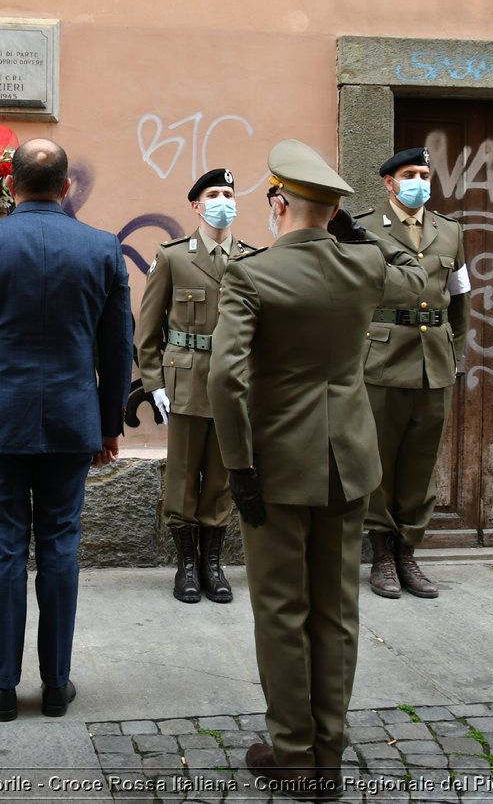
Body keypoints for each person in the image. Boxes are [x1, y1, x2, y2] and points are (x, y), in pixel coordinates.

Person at [207, 139, 425, 800]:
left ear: (278, 203)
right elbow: (416, 282)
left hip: (276, 466)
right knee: (336, 612)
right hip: (351, 464)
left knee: (281, 610)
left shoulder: (251, 273)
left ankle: (295, 757)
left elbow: (225, 375)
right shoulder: (362, 266)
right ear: (333, 211)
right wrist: (354, 236)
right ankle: (329, 755)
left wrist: (238, 462)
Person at [0, 138, 132, 722]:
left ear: (11, 186)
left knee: (2, 555)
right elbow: (116, 348)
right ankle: (56, 684)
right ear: (66, 186)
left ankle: (1, 686)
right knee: (59, 550)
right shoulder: (102, 248)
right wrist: (107, 425)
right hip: (72, 423)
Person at [135, 167, 256, 603]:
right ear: (196, 205)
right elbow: (148, 331)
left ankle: (213, 564)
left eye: (229, 192)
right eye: (214, 194)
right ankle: (185, 566)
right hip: (184, 381)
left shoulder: (251, 257)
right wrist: (154, 383)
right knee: (183, 475)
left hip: (233, 384)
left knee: (221, 477)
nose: (223, 200)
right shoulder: (172, 256)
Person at [354, 147, 469, 600]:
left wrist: (453, 353)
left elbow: (460, 302)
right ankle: (381, 553)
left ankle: (408, 552)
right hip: (380, 360)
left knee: (421, 462)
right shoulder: (363, 229)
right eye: (409, 174)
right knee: (379, 459)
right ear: (389, 182)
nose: (419, 180)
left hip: (434, 362)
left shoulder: (451, 231)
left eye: (424, 173)